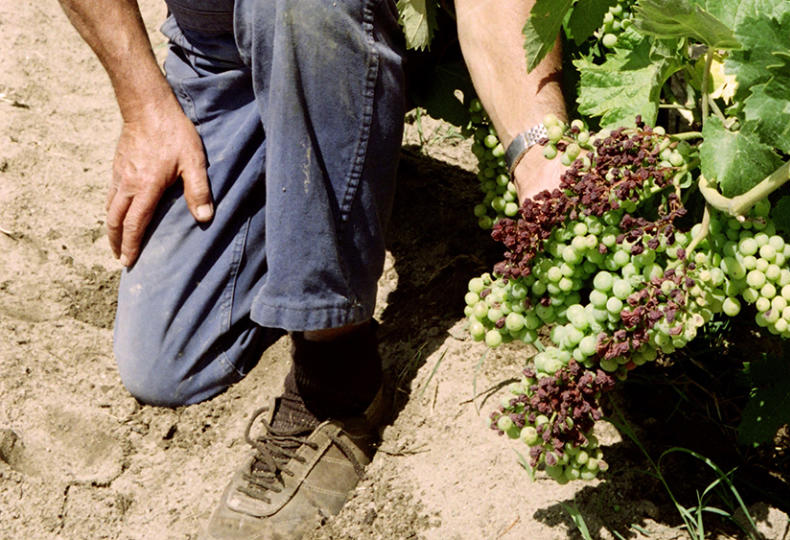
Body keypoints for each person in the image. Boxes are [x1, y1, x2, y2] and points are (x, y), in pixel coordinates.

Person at [55, 0, 567, 537]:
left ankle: (339, 387)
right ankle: (324, 133)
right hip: (220, 50)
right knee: (165, 360)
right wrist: (146, 107)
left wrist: (539, 155)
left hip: (349, 12)